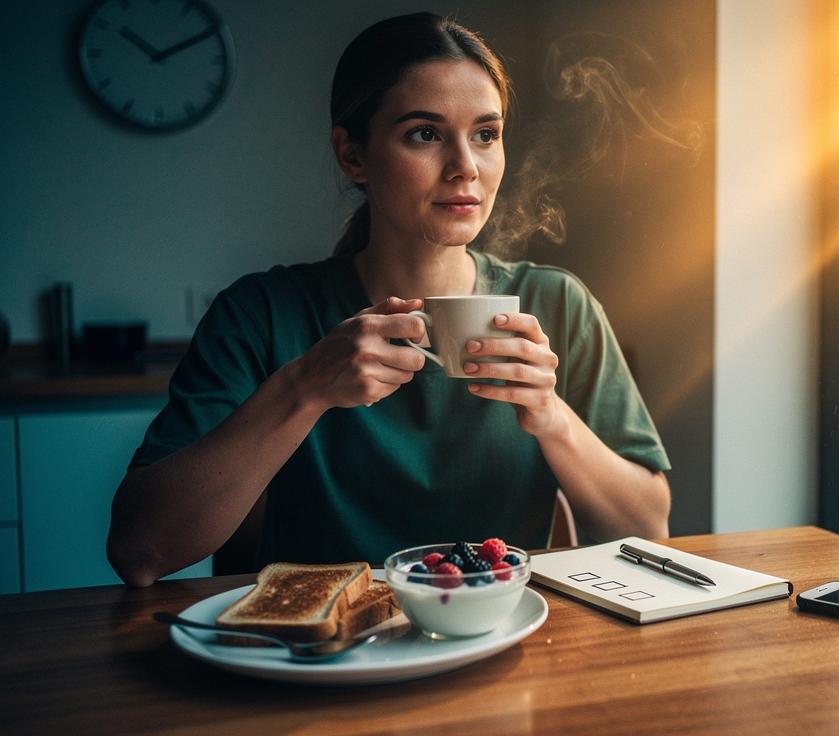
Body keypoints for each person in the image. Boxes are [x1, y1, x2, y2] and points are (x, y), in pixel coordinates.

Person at [107, 13, 671, 588]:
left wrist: (554, 420)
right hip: (321, 659)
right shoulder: (260, 313)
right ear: (353, 156)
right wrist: (304, 389)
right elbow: (139, 551)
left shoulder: (559, 304)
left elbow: (649, 528)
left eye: (485, 133)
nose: (466, 167)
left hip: (501, 650)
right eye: (424, 133)